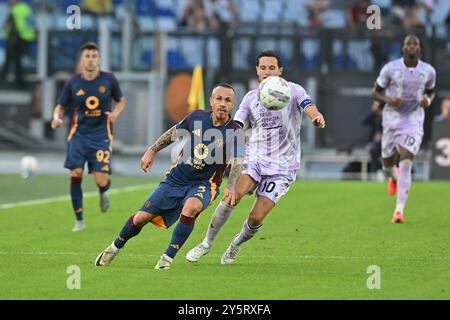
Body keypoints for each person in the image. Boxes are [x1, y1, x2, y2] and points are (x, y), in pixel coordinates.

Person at [186, 50, 326, 265]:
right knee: (234, 194)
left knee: (256, 218)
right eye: (263, 68)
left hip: (284, 166)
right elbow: (238, 126)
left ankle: (236, 245)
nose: (267, 71)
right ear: (257, 71)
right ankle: (206, 243)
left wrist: (315, 116)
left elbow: (308, 105)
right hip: (255, 157)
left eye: (272, 68)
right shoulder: (251, 98)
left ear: (280, 71)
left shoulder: (293, 91)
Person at [94, 83, 244, 270]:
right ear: (211, 101)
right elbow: (172, 133)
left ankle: (167, 258)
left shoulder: (235, 130)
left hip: (204, 183)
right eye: (219, 99)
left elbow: (238, 160)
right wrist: (152, 150)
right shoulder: (196, 117)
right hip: (176, 179)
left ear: (233, 104)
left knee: (191, 207)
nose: (223, 103)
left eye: (228, 100)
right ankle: (114, 248)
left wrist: (231, 185)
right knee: (141, 218)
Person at [51, 42, 126, 232]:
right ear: (82, 60)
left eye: (94, 56)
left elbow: (121, 101)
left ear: (98, 59)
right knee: (75, 173)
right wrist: (56, 117)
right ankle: (79, 220)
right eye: (87, 56)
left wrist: (116, 113)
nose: (91, 59)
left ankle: (103, 191)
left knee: (101, 179)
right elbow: (60, 105)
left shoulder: (109, 80)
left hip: (101, 135)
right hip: (78, 134)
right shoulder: (73, 82)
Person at [372, 34, 436, 223]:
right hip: (391, 120)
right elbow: (375, 92)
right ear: (402, 47)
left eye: (415, 43)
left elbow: (431, 90)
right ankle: (391, 177)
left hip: (413, 121)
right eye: (408, 43)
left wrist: (428, 100)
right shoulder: (390, 68)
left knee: (406, 160)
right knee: (387, 164)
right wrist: (390, 100)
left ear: (419, 48)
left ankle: (398, 211)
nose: (411, 46)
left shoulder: (429, 71)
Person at [1, 0, 36, 88]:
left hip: (17, 38)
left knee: (14, 62)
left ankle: (12, 83)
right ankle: (18, 82)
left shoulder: (15, 10)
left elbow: (10, 25)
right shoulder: (25, 8)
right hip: (26, 37)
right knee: (15, 61)